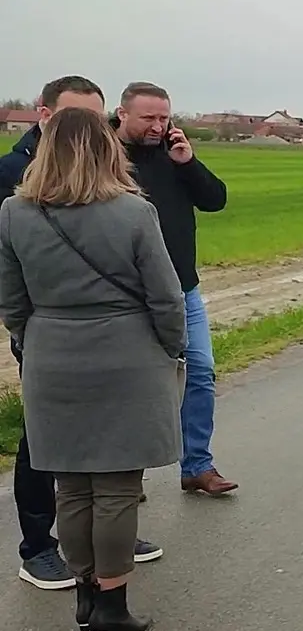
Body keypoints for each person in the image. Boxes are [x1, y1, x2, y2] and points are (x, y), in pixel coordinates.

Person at [0, 107, 186, 631]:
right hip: (127, 356)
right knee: (117, 488)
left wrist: (39, 341)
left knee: (71, 486)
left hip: (52, 357)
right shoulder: (134, 212)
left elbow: (12, 301)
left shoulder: (14, 213)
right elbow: (166, 297)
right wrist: (170, 347)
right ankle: (111, 605)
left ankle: (85, 594)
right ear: (107, 150)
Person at [111, 82, 233, 496]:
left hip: (183, 289)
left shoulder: (174, 155)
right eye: (148, 118)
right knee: (131, 385)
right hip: (129, 295)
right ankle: (124, 476)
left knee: (199, 372)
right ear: (122, 114)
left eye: (164, 118)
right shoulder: (104, 158)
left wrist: (188, 163)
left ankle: (197, 465)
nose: (157, 126)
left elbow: (215, 200)